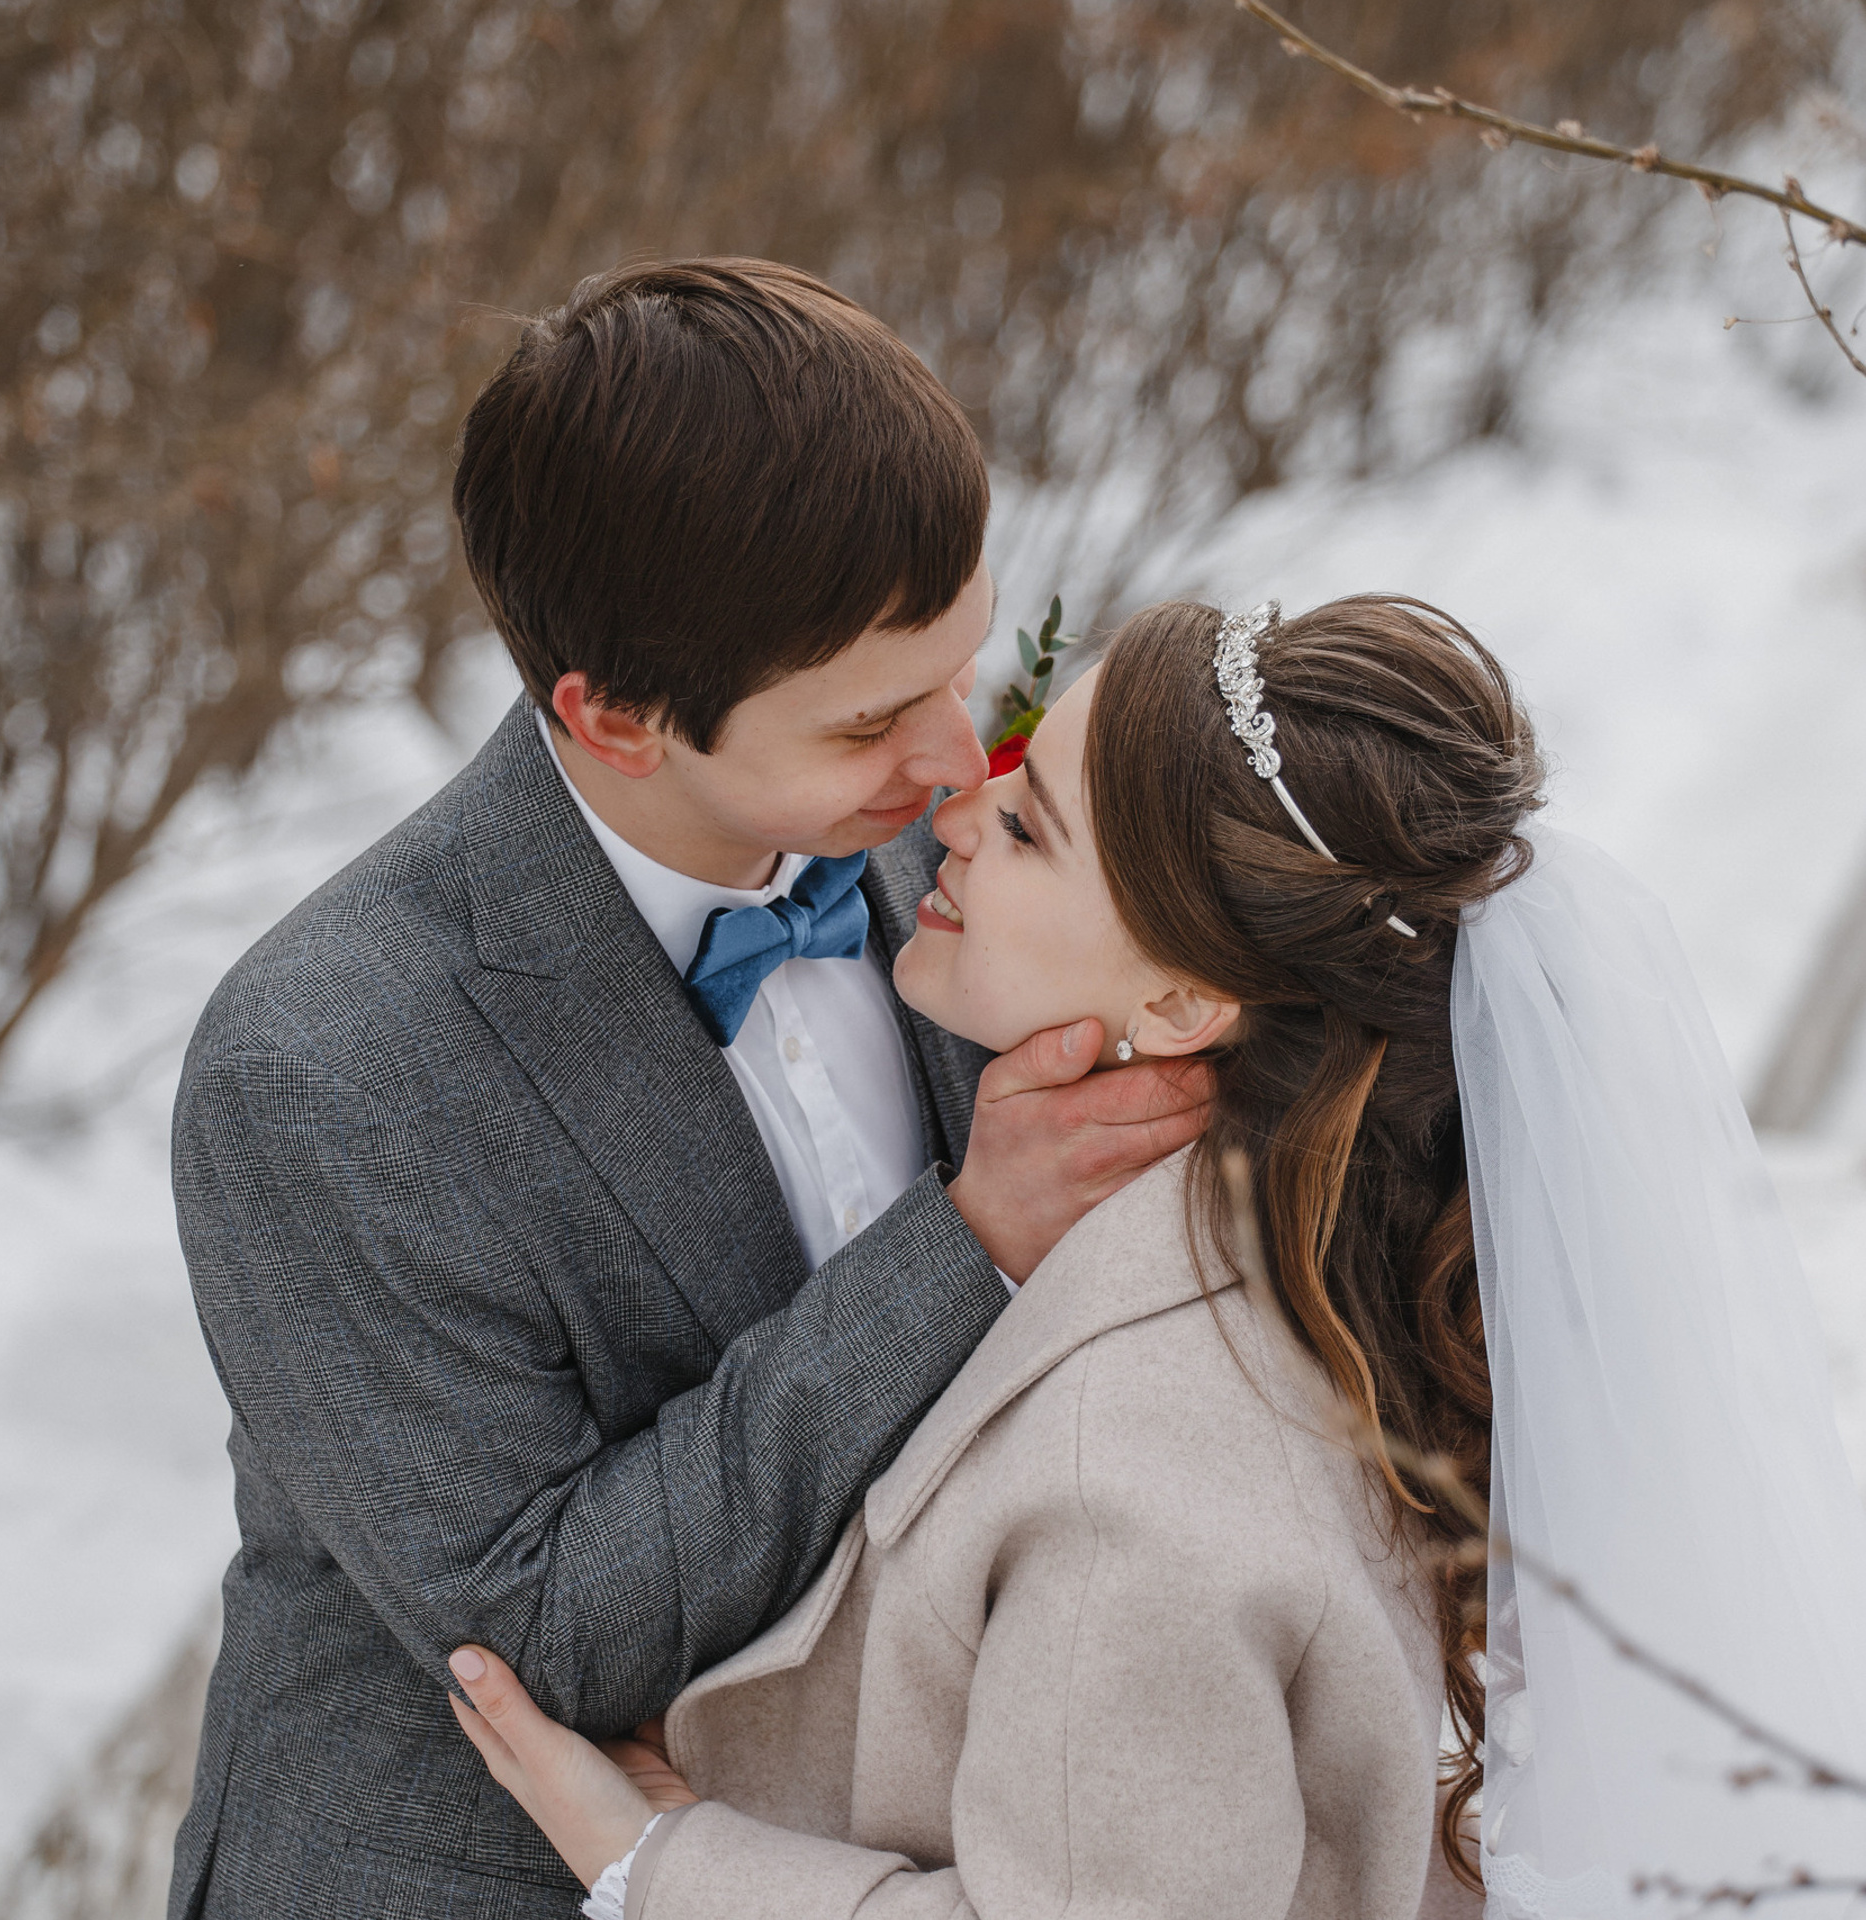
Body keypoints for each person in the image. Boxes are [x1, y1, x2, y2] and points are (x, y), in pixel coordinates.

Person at [445, 593, 1866, 1920]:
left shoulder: (1130, 1486)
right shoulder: (1299, 1269)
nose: (956, 806)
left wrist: (658, 1860)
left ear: (1187, 999)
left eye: (1033, 827)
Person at [168, 259, 1207, 1920]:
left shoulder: (940, 878)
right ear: (615, 715)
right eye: (875, 717)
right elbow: (543, 1626)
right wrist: (974, 1240)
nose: (957, 761)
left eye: (962, 665)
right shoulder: (323, 1071)